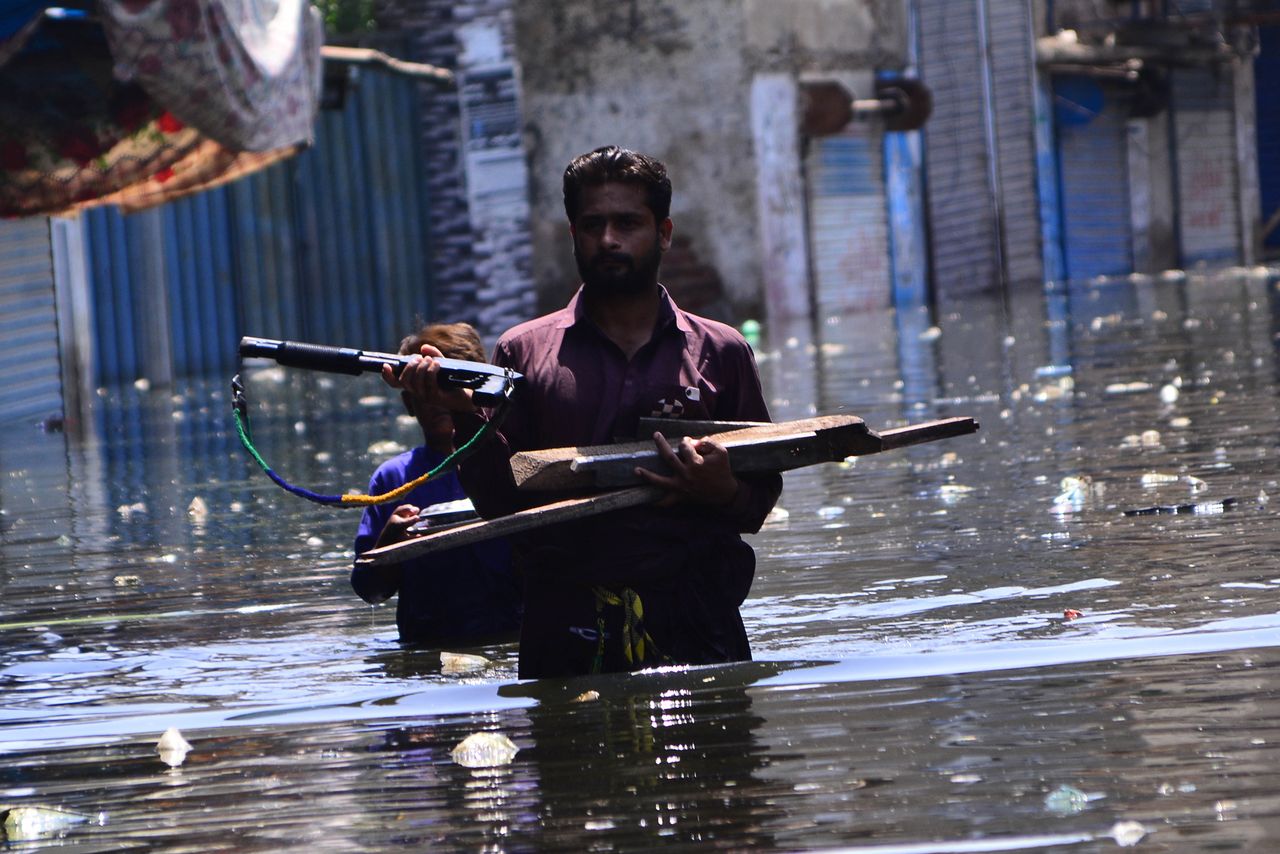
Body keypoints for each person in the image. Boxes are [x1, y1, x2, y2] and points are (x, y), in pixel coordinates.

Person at [388, 146, 782, 678]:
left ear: (663, 233)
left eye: (628, 223)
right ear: (573, 235)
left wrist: (723, 491)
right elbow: (502, 504)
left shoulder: (721, 350)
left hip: (698, 624)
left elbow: (758, 503)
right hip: (566, 634)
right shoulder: (523, 354)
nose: (609, 240)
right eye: (592, 224)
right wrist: (463, 416)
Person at [351, 322, 521, 646]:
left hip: (515, 641)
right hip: (428, 650)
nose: (442, 400)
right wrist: (390, 542)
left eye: (451, 386)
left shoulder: (515, 460)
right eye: (428, 389)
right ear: (409, 405)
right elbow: (369, 589)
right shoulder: (394, 480)